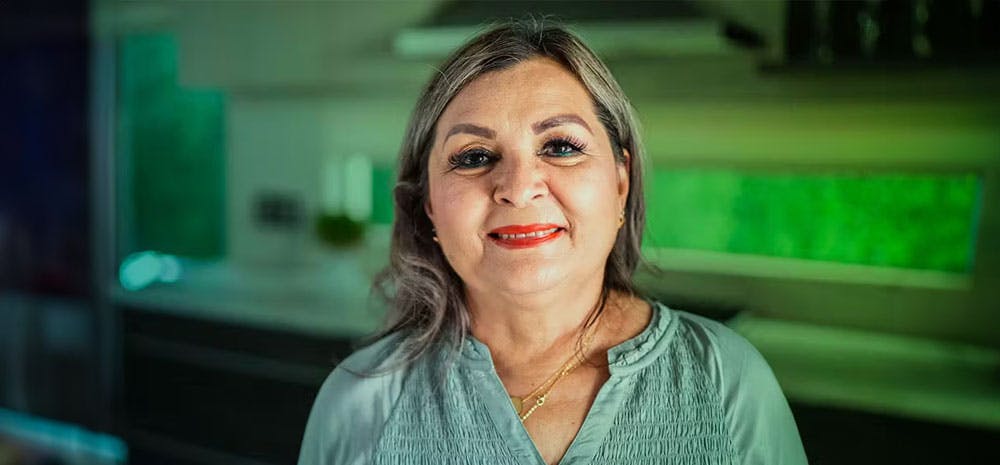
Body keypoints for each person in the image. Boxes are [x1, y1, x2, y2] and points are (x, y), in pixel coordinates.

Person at [298, 18, 808, 465]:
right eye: (474, 156)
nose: (519, 188)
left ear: (620, 182)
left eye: (561, 146)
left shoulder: (728, 381)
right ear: (428, 203)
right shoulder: (359, 400)